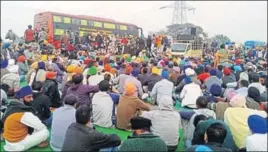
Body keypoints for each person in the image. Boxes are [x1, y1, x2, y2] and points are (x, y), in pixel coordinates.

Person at [1, 86, 49, 151]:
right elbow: (41, 127)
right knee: (45, 132)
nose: (32, 99)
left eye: (32, 96)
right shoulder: (24, 112)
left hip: (9, 142)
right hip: (17, 145)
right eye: (29, 97)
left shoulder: (11, 106)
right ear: (21, 99)